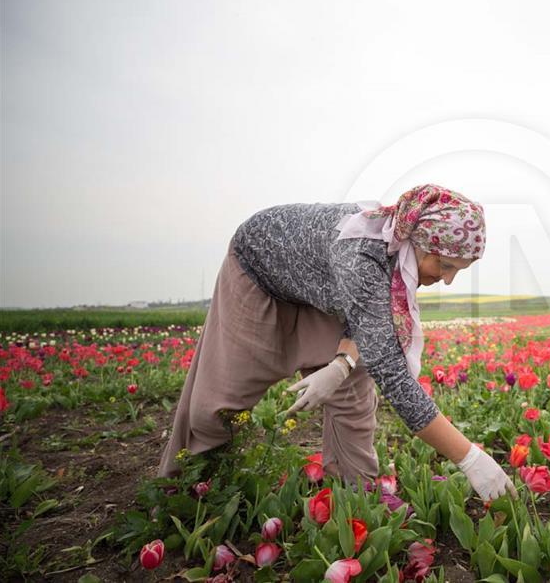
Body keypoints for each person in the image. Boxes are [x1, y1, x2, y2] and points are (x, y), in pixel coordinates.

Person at [157, 184, 516, 502]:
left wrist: (342, 364)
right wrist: (469, 457)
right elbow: (391, 373)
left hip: (322, 288)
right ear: (421, 244)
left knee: (353, 388)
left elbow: (371, 324)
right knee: (222, 394)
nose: (448, 280)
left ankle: (355, 491)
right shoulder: (363, 252)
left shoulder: (397, 256)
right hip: (259, 273)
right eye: (446, 266)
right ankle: (193, 488)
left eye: (458, 271)